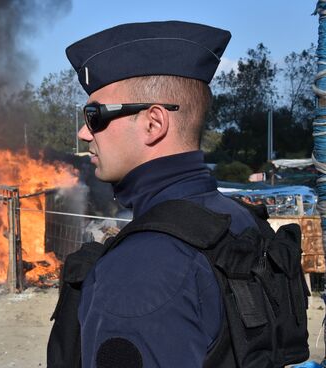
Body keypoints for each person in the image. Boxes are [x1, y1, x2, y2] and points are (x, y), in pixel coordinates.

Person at [56, 21, 261, 367]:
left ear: (153, 123)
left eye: (94, 116)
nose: (84, 132)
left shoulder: (136, 274)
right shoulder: (240, 219)